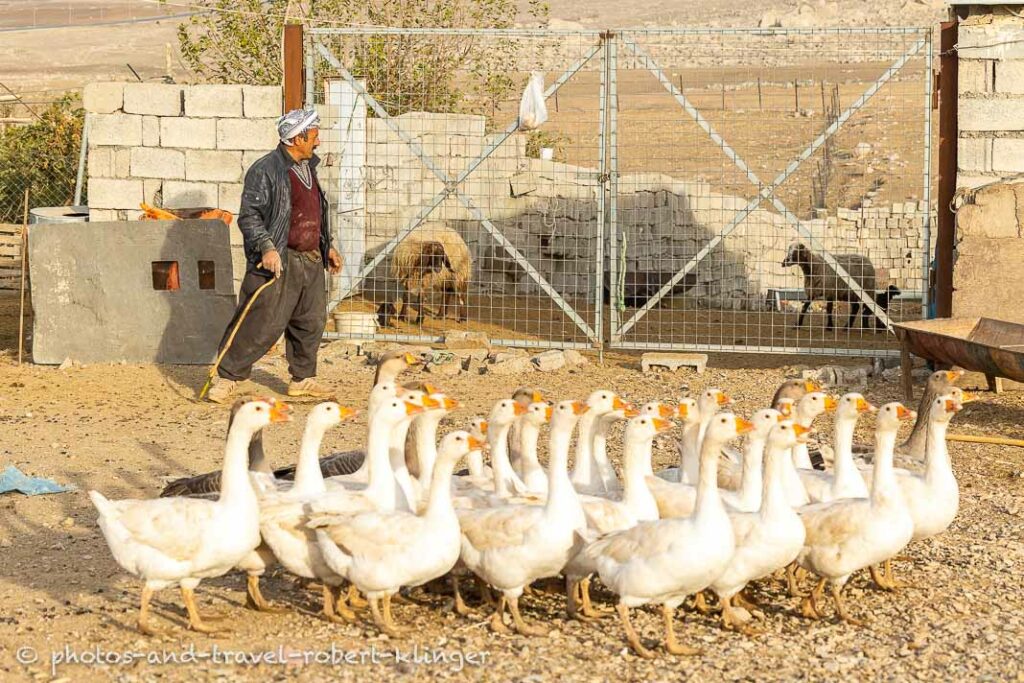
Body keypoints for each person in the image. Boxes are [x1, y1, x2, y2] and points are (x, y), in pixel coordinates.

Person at [206, 108, 342, 404]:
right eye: (314, 136)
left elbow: (312, 213)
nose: (317, 142)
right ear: (297, 138)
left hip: (310, 259)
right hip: (280, 258)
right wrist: (267, 247)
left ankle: (303, 379)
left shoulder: (308, 168)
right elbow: (250, 217)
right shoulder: (265, 170)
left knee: (311, 321)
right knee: (260, 322)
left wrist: (325, 245)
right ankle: (228, 377)